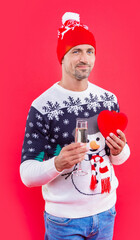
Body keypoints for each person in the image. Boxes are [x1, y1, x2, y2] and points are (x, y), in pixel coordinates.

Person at [20, 12, 130, 240]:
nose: (84, 58)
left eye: (90, 51)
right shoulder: (42, 106)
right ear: (62, 56)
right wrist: (58, 163)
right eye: (76, 51)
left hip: (106, 212)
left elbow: (117, 158)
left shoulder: (108, 100)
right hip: (64, 221)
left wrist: (120, 150)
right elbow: (27, 175)